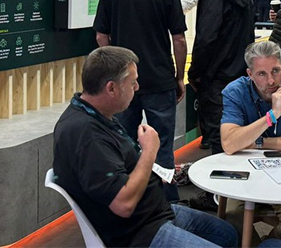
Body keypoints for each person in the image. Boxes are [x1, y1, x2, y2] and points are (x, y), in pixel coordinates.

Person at [52, 46, 238, 248]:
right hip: (138, 233)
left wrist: (153, 172)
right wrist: (150, 151)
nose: (137, 87)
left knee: (227, 234)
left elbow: (120, 168)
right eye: (132, 83)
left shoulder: (97, 115)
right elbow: (123, 204)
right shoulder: (87, 136)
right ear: (111, 88)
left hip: (155, 213)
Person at [93, 0, 187, 201]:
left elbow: (101, 36)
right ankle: (167, 203)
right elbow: (179, 39)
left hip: (122, 83)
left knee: (124, 144)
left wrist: (113, 71)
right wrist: (179, 77)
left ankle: (130, 200)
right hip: (159, 79)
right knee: (163, 145)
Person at [221, 41, 281, 243]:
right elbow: (229, 144)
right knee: (233, 217)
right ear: (250, 74)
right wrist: (271, 116)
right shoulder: (235, 91)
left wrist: (257, 142)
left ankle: (269, 243)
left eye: (275, 71)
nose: (271, 80)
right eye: (261, 74)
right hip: (245, 171)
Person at [188, 0, 254, 155]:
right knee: (238, 131)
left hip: (215, 77)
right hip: (240, 73)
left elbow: (206, 40)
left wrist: (194, 73)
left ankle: (219, 174)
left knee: (218, 135)